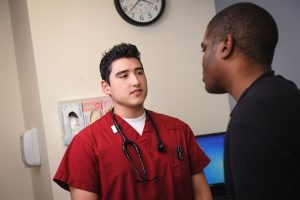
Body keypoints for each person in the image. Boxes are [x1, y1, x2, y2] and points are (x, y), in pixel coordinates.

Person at [54, 43, 213, 200]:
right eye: (124, 75)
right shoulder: (86, 144)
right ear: (106, 87)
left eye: (139, 72)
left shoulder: (178, 130)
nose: (135, 81)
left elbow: (202, 193)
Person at [201, 2, 300, 200]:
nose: (202, 58)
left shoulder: (251, 121)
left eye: (204, 49)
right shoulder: (285, 93)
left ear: (225, 46)